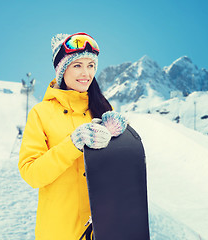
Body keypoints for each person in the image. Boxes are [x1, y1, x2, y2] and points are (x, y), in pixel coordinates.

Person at [18, 32, 126, 240]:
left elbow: (119, 174)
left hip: (101, 230)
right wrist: (73, 144)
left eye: (91, 65)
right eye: (77, 65)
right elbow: (31, 174)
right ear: (61, 70)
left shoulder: (102, 109)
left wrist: (121, 139)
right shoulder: (41, 113)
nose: (86, 73)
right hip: (58, 232)